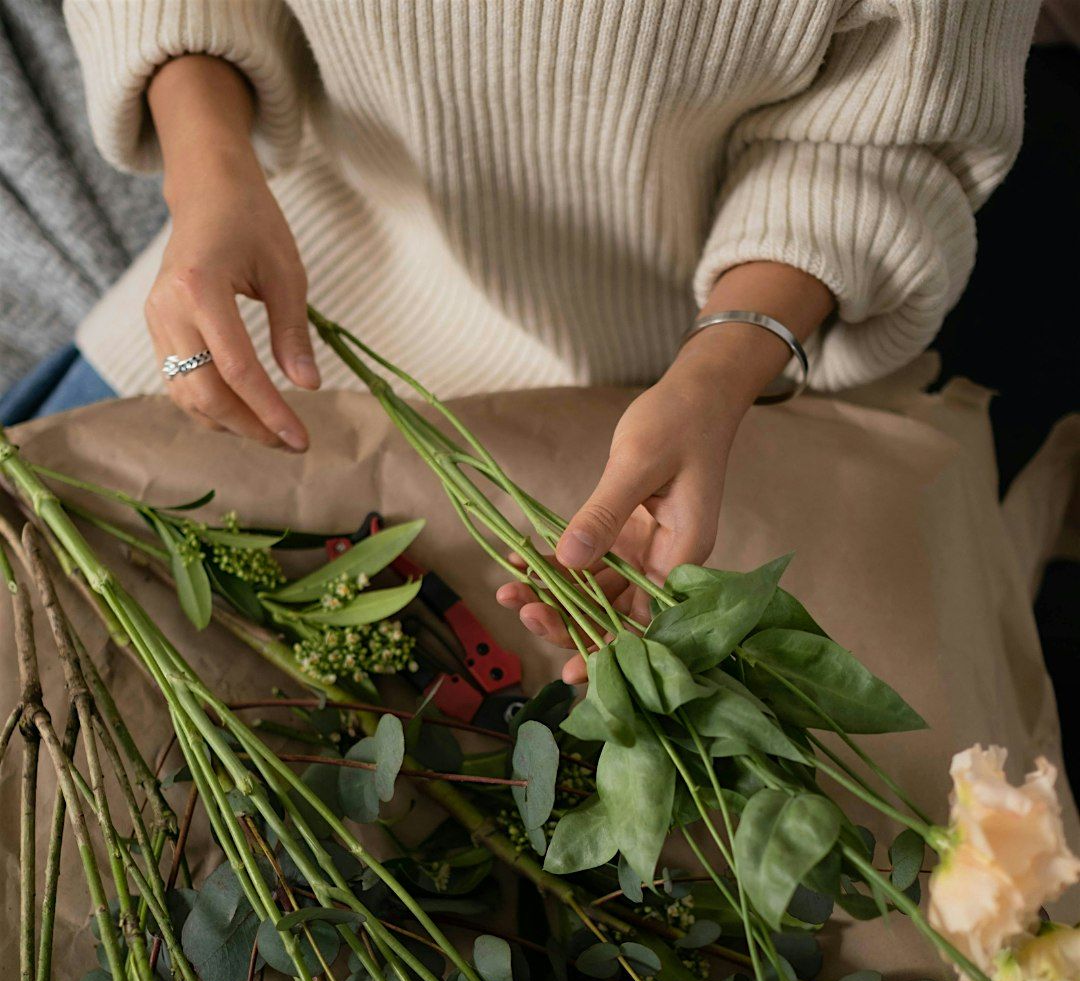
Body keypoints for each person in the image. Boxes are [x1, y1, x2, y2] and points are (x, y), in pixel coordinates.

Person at [59, 1, 1039, 680]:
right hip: (267, 295)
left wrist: (723, 362)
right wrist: (207, 179)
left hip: (678, 393)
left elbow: (883, 142)